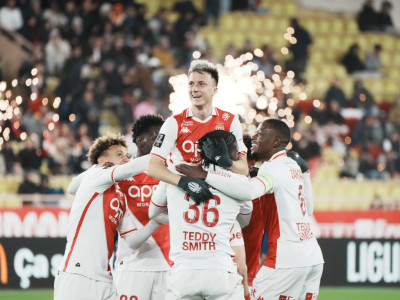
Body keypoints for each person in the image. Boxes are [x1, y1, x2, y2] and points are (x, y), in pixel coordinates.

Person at [202, 119, 324, 300]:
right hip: (313, 257)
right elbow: (309, 209)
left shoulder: (271, 168)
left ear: (275, 141)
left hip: (286, 259)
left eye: (259, 134)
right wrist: (305, 172)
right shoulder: (291, 166)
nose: (254, 137)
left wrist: (206, 174)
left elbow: (249, 192)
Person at [54, 133, 161, 300]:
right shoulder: (96, 174)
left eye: (127, 155)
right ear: (102, 161)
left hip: (106, 280)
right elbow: (132, 168)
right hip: (78, 275)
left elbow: (132, 240)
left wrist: (156, 221)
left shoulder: (120, 196)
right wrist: (166, 152)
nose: (126, 159)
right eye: (119, 155)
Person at [149, 130, 252, 299]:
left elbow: (153, 213)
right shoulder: (240, 183)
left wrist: (179, 220)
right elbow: (245, 220)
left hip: (182, 273)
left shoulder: (175, 174)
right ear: (230, 153)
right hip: (220, 271)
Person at [146, 59, 249, 204]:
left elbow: (244, 169)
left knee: (248, 206)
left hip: (217, 187)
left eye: (202, 84)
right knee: (153, 213)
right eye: (191, 84)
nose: (194, 89)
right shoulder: (174, 122)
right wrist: (184, 182)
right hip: (181, 187)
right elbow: (152, 167)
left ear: (215, 90)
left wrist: (228, 163)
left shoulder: (230, 121)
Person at [113, 114, 172, 300]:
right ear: (140, 140)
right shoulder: (120, 174)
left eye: (164, 138)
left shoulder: (171, 171)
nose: (161, 142)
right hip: (132, 266)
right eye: (156, 137)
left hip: (169, 266)